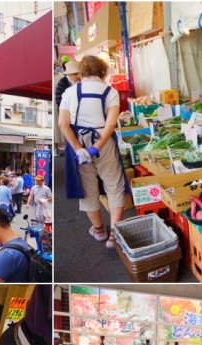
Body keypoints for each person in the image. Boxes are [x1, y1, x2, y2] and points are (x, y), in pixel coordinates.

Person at [59, 55, 130, 249]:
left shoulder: (70, 92)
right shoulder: (110, 92)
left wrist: (78, 149)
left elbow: (62, 124)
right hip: (103, 140)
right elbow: (111, 123)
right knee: (114, 184)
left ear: (81, 73)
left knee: (87, 189)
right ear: (103, 72)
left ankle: (99, 230)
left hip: (78, 141)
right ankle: (114, 236)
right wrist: (96, 147)